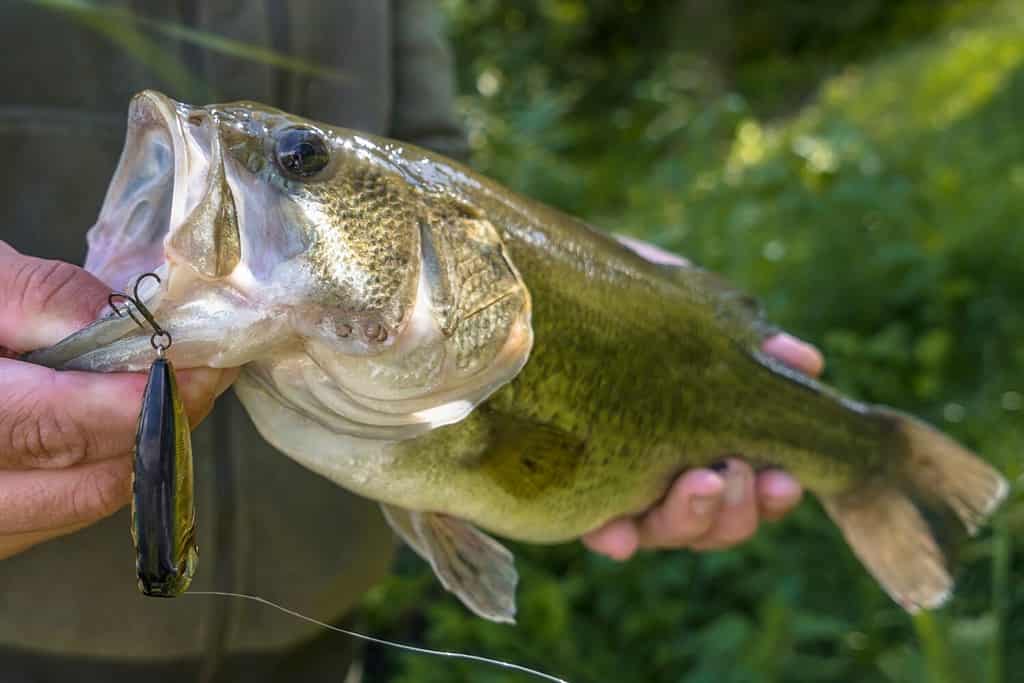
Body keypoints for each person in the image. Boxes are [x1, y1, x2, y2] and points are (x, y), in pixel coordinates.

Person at [0, 2, 816, 680]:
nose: (229, 147)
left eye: (299, 159)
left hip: (319, 616)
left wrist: (612, 285)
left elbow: (436, 165)